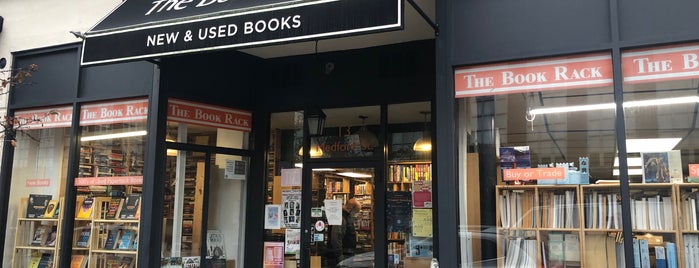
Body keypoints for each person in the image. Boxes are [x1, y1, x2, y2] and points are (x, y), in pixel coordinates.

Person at [328, 197, 361, 266]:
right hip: (343, 254)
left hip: (346, 253)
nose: (355, 215)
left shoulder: (345, 217)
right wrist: (339, 254)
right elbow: (336, 237)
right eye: (356, 212)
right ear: (351, 209)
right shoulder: (341, 217)